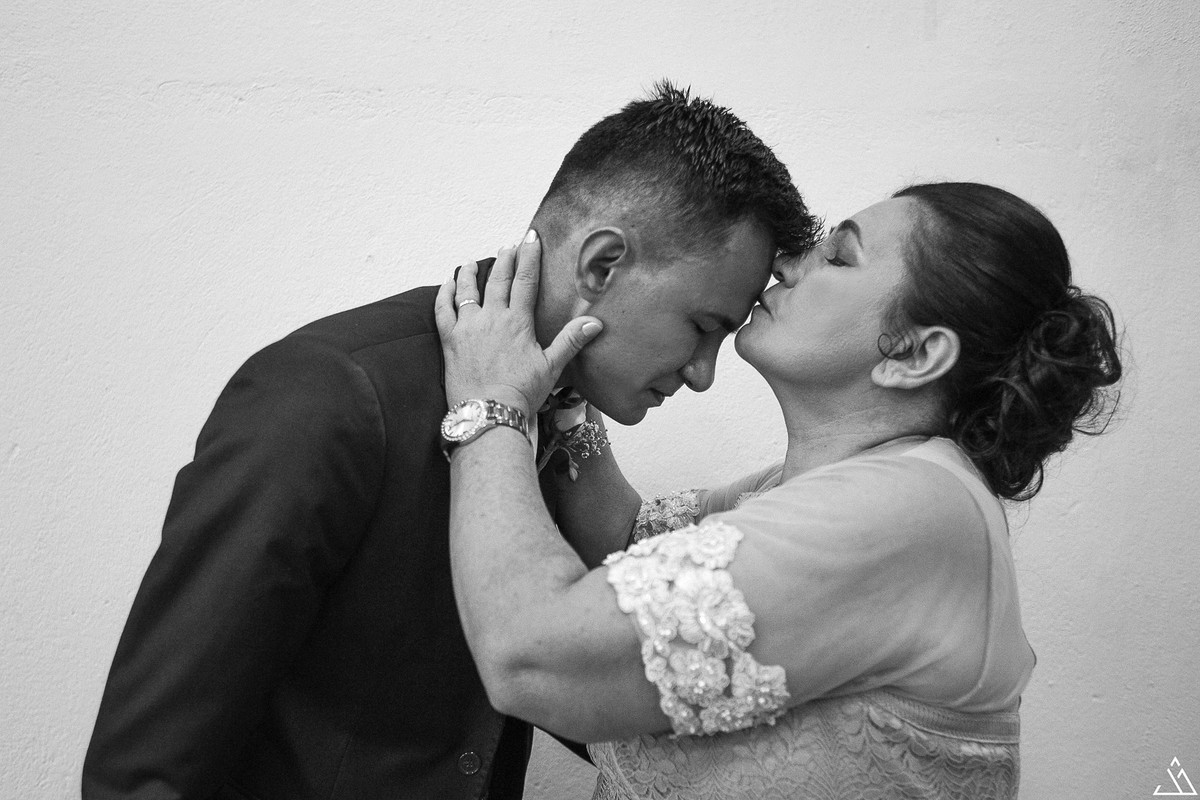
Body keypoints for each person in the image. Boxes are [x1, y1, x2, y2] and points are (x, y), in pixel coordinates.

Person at [82, 82, 820, 800]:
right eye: (702, 327)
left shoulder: (566, 420)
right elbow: (146, 769)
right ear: (601, 265)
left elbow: (580, 689)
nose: (702, 374)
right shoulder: (332, 395)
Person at [435, 181, 1122, 799]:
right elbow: (629, 543)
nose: (790, 262)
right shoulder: (829, 487)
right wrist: (566, 391)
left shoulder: (913, 509)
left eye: (838, 257)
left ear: (915, 354)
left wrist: (492, 404)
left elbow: (533, 656)